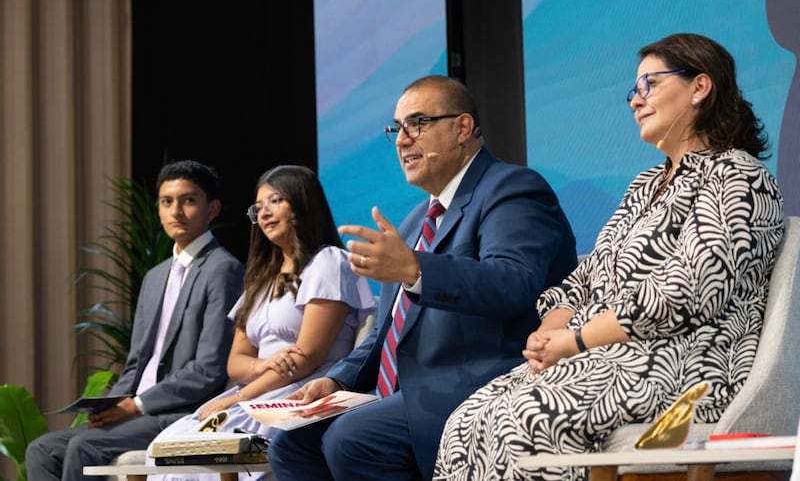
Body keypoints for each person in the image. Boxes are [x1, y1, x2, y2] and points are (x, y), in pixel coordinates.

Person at [433, 33, 786, 481]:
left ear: (700, 87)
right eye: (632, 92)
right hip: (604, 355)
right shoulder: (644, 185)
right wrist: (549, 335)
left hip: (683, 362)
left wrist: (578, 341)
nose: (635, 101)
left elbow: (689, 290)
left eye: (649, 85)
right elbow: (588, 277)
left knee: (526, 417)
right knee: (466, 419)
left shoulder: (739, 175)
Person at [267, 74, 578, 481]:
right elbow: (386, 333)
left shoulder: (513, 188)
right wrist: (334, 379)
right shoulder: (416, 221)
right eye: (396, 128)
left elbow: (513, 283)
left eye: (416, 124)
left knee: (352, 438)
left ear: (462, 127)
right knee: (291, 442)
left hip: (474, 384)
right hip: (405, 393)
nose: (401, 140)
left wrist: (416, 270)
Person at [146, 164, 376, 480]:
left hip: (301, 393)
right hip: (256, 390)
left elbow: (306, 357)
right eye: (259, 207)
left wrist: (239, 396)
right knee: (165, 447)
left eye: (275, 201)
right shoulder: (261, 279)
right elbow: (236, 363)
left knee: (215, 448)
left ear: (303, 203)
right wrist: (264, 366)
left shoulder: (328, 262)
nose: (264, 213)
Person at [26, 159, 245, 480]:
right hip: (137, 410)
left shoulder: (223, 269)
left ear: (212, 209)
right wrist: (111, 405)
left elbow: (209, 368)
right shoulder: (155, 277)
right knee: (41, 450)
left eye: (189, 200)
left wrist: (137, 405)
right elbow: (136, 362)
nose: (176, 211)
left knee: (83, 446)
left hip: (181, 412)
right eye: (166, 202)